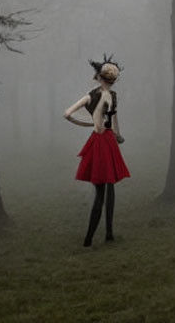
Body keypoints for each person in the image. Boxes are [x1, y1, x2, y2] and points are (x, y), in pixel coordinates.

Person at [63, 56, 130, 246]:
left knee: (102, 191)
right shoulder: (112, 96)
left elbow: (67, 114)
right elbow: (115, 123)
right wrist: (117, 135)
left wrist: (87, 123)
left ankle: (91, 239)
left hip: (99, 141)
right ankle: (103, 235)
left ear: (98, 77)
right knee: (108, 188)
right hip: (107, 142)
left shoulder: (89, 96)